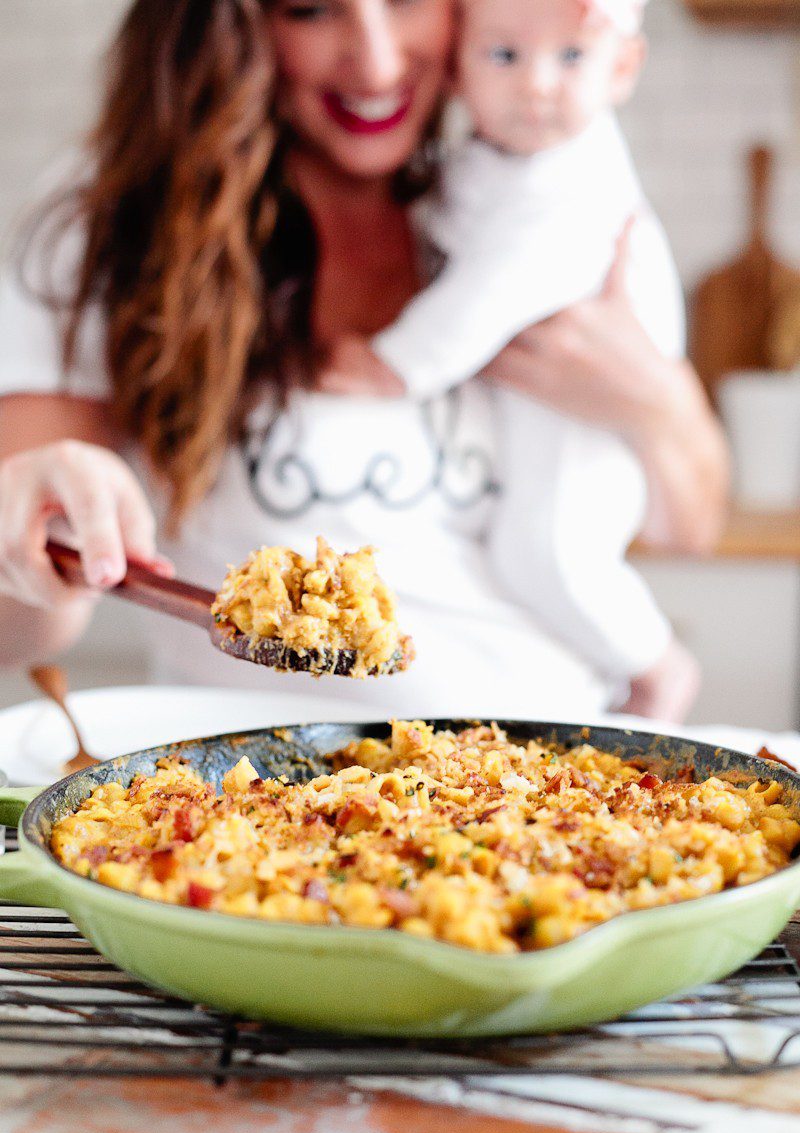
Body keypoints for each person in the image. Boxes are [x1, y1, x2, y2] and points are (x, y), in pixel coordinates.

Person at [0, 0, 728, 722]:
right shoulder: (115, 230)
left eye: (406, 1)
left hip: (566, 766)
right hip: (247, 778)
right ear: (231, 31)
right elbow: (23, 624)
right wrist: (29, 528)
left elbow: (687, 532)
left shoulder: (519, 205)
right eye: (311, 11)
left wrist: (662, 407)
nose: (376, 63)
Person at [321, 0, 695, 711]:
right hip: (546, 405)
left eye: (572, 56)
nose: (537, 85)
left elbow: (500, 284)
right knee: (525, 548)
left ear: (622, 68)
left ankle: (658, 668)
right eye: (503, 56)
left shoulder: (574, 177)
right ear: (457, 67)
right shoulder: (495, 159)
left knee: (547, 551)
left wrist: (395, 364)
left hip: (589, 424)